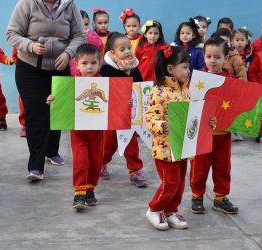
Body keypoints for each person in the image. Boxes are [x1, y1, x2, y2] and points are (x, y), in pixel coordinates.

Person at [6, 0, 86, 181]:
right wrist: (30, 46)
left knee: (57, 111)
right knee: (36, 115)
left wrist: (68, 53)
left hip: (60, 66)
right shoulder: (26, 3)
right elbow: (11, 33)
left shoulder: (70, 5)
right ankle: (35, 165)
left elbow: (80, 35)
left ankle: (52, 151)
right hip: (29, 68)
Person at [145, 46, 215, 230]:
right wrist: (160, 126)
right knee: (171, 182)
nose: (188, 70)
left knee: (180, 182)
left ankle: (170, 210)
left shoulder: (185, 90)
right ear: (170, 69)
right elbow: (150, 118)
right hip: (164, 148)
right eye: (184, 67)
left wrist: (208, 122)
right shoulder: (158, 92)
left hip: (182, 145)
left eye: (188, 66)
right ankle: (154, 208)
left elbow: (192, 115)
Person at [47, 44, 104, 209]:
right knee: (81, 161)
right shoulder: (71, 83)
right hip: (77, 130)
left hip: (97, 131)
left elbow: (112, 102)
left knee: (95, 162)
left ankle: (90, 189)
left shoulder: (104, 84)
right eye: (85, 63)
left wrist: (125, 102)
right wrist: (52, 100)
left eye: (93, 63)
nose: (89, 67)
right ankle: (79, 193)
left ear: (99, 64)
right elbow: (62, 102)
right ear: (76, 65)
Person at [190, 37, 238, 215]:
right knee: (199, 168)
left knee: (223, 167)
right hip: (202, 134)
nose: (213, 61)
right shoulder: (197, 80)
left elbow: (239, 105)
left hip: (223, 134)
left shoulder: (231, 81)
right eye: (209, 56)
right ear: (204, 56)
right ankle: (197, 196)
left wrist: (257, 115)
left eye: (217, 57)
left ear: (226, 58)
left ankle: (220, 198)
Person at [99, 32, 146, 187]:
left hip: (129, 114)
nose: (127, 51)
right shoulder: (106, 70)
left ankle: (135, 170)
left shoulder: (134, 67)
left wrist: (137, 99)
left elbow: (139, 87)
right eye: (122, 49)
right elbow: (104, 92)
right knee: (108, 144)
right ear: (113, 53)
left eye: (128, 47)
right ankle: (101, 163)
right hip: (112, 115)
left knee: (131, 144)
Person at [69, 10, 103, 76]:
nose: (84, 27)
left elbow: (100, 47)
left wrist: (89, 35)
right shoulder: (70, 35)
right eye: (80, 25)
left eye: (86, 24)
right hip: (75, 69)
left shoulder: (92, 34)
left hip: (92, 70)